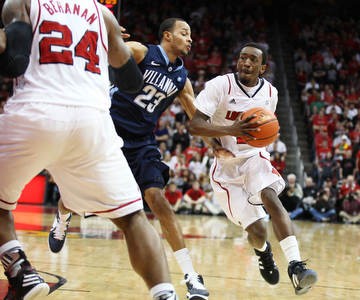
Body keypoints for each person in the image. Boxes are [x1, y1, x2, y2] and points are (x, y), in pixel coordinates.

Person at [0, 1, 178, 299]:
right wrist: (110, 42)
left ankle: (20, 270)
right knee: (133, 218)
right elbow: (131, 81)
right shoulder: (103, 14)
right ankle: (165, 294)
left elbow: (15, 63)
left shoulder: (21, 2)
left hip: (37, 110)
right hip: (93, 123)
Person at [49, 17, 209, 300]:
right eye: (185, 33)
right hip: (109, 132)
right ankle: (63, 214)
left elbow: (196, 117)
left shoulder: (182, 77)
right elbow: (98, 50)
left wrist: (218, 143)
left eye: (191, 35)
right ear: (167, 36)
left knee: (157, 199)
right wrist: (105, 33)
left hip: (143, 143)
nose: (190, 38)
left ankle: (191, 276)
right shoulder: (140, 52)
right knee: (78, 198)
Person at [188, 42, 318, 295]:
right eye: (242, 58)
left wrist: (259, 140)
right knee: (257, 231)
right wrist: (227, 134)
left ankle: (295, 266)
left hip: (255, 156)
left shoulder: (270, 92)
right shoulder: (220, 85)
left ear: (263, 67)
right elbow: (195, 125)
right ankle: (264, 253)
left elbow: (264, 130)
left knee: (270, 196)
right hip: (226, 167)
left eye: (252, 60)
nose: (246, 63)